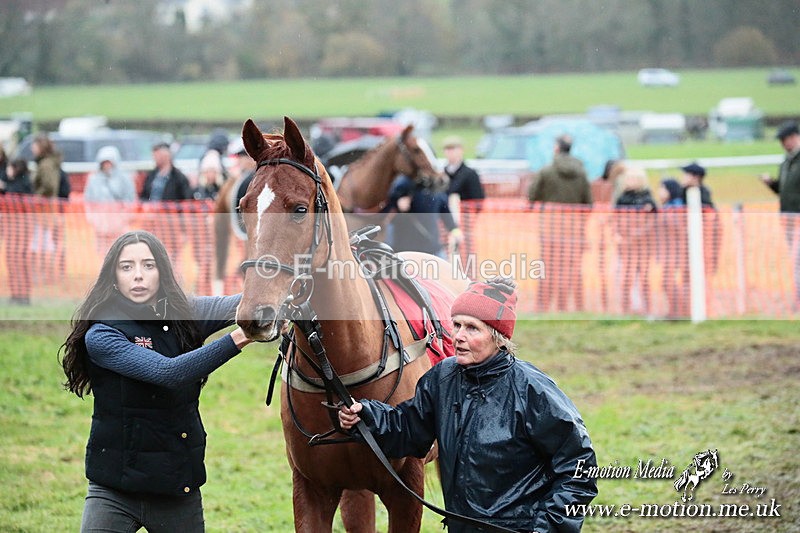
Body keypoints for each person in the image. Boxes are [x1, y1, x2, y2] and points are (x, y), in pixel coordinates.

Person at [338, 277, 597, 533]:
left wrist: (547, 529)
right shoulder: (442, 378)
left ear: (499, 338)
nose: (458, 336)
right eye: (457, 325)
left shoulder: (532, 390)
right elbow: (409, 429)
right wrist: (368, 416)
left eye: (472, 328)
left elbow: (579, 468)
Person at [59, 230, 252, 532]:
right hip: (113, 492)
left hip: (177, 489)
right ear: (113, 275)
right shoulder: (102, 334)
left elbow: (248, 302)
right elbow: (169, 374)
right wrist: (242, 337)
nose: (138, 275)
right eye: (127, 267)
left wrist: (295, 274)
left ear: (162, 271)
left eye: (149, 265)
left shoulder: (184, 313)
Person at [528, 134, 592, 312]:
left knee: (548, 266)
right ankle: (575, 306)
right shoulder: (581, 173)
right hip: (574, 228)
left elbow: (532, 195)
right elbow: (588, 202)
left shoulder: (546, 171)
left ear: (556, 148)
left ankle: (544, 305)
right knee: (573, 268)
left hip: (550, 227)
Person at [760, 121, 800, 309]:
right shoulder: (786, 162)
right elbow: (785, 191)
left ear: (794, 137)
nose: (783, 143)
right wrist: (771, 184)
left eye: (784, 139)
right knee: (796, 260)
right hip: (789, 219)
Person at [613, 166, 657, 316]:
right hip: (624, 246)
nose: (629, 181)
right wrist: (617, 234)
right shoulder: (621, 198)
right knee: (625, 277)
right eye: (628, 178)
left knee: (643, 278)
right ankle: (626, 310)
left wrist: (632, 236)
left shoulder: (648, 200)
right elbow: (616, 219)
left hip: (643, 246)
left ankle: (647, 309)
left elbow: (652, 224)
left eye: (633, 178)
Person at [386, 174, 461, 258]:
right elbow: (388, 215)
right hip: (406, 249)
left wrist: (454, 229)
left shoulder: (436, 191)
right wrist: (398, 205)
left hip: (432, 248)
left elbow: (445, 212)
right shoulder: (403, 185)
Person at [84, 145, 137, 254]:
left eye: (109, 162)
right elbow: (89, 201)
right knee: (103, 253)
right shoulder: (94, 180)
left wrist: (124, 218)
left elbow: (130, 200)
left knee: (121, 252)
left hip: (119, 225)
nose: (107, 165)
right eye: (104, 162)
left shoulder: (124, 179)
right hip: (101, 225)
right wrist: (94, 219)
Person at [443, 135, 484, 275]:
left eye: (453, 149)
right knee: (446, 252)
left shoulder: (470, 174)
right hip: (445, 221)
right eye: (447, 149)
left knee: (466, 252)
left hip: (464, 221)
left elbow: (478, 199)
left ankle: (469, 279)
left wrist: (469, 218)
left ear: (460, 151)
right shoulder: (443, 174)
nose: (450, 152)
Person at [2, 158, 34, 304]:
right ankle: (18, 294)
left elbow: (14, 198)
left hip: (18, 227)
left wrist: (5, 186)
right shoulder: (20, 182)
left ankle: (21, 295)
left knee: (17, 261)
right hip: (14, 227)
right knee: (13, 261)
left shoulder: (20, 184)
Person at [656, 178, 688, 318]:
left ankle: (679, 311)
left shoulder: (675, 207)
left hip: (674, 251)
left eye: (662, 188)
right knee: (667, 281)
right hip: (668, 250)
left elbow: (677, 228)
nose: (659, 191)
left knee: (668, 281)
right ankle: (676, 310)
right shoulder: (668, 207)